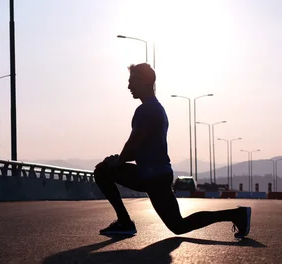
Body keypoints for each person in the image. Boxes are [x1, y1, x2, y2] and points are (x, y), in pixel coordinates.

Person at [94, 63, 251, 239]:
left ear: (145, 81)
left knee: (102, 170)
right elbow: (139, 147)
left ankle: (125, 222)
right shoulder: (156, 108)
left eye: (132, 81)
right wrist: (120, 159)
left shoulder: (146, 110)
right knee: (178, 225)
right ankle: (235, 215)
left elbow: (134, 144)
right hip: (157, 174)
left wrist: (116, 161)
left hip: (151, 176)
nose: (129, 86)